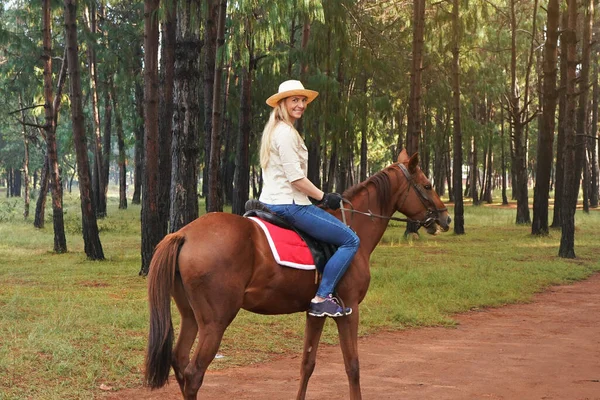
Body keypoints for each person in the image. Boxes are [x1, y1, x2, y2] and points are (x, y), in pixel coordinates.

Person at [259, 80, 360, 318]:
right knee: (350, 240)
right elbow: (295, 179)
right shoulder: (285, 133)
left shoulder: (277, 130)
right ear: (282, 103)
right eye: (295, 100)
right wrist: (324, 196)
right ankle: (322, 297)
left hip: (274, 199)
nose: (301, 105)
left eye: (303, 100)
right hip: (289, 204)